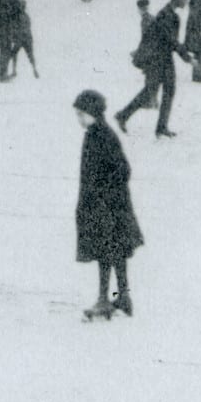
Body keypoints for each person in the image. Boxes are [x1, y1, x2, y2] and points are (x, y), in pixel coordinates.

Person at [73, 90, 143, 320]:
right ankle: (122, 297)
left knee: (106, 252)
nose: (79, 118)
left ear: (93, 113)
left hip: (107, 206)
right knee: (115, 251)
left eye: (82, 114)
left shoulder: (102, 136)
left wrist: (104, 194)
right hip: (107, 205)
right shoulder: (95, 133)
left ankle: (105, 299)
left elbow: (123, 169)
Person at [117, 0, 189, 138]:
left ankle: (161, 128)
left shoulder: (171, 15)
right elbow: (171, 39)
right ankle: (123, 115)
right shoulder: (165, 15)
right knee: (149, 92)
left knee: (169, 91)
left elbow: (172, 41)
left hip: (165, 58)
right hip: (156, 59)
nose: (187, 1)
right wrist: (187, 57)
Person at [6, 0, 39, 78]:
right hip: (28, 38)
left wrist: (13, 36)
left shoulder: (15, 16)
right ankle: (34, 69)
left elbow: (13, 27)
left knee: (13, 54)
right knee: (30, 55)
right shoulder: (26, 16)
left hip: (19, 39)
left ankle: (14, 71)